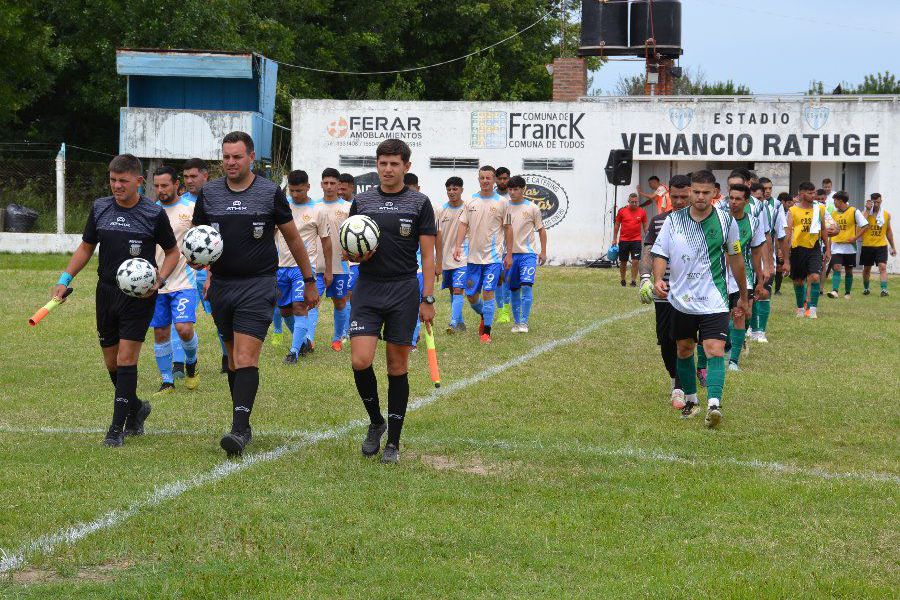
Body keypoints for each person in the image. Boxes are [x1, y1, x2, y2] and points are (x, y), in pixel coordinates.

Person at [191, 131, 319, 457]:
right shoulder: (209, 194)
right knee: (233, 360)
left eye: (237, 157)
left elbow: (292, 239)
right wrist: (201, 267)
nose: (230, 163)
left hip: (259, 284)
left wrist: (309, 279)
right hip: (221, 286)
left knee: (246, 357)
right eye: (226, 157)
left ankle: (237, 430)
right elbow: (198, 241)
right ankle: (243, 422)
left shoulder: (268, 192)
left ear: (250, 158)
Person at [52, 154, 179, 446]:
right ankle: (136, 408)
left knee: (126, 358)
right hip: (106, 292)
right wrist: (64, 280)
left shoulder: (153, 213)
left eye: (123, 180)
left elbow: (172, 253)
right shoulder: (100, 208)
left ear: (138, 181)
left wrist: (159, 280)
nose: (117, 186)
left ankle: (115, 429)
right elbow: (85, 248)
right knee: (111, 362)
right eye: (112, 180)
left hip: (139, 297)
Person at [348, 138, 436, 465]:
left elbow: (428, 257)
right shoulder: (362, 201)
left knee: (397, 367)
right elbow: (350, 248)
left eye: (394, 164)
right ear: (377, 165)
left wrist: (427, 298)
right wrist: (353, 253)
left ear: (406, 167)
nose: (387, 169)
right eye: (382, 163)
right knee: (360, 360)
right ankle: (376, 421)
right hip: (368, 288)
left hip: (403, 290)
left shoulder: (420, 203)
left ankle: (394, 443)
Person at [651, 170, 748, 429]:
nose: (700, 197)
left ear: (715, 193)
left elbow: (736, 260)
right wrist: (658, 279)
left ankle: (714, 403)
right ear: (690, 191)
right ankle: (692, 401)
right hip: (681, 299)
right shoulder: (674, 221)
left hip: (714, 298)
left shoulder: (727, 222)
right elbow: (660, 253)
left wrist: (743, 295)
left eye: (706, 192)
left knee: (714, 349)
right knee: (684, 349)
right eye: (696, 192)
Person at [639, 174, 692, 409]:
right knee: (665, 340)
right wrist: (645, 278)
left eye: (684, 196)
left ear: (692, 193)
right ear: (668, 194)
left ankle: (681, 386)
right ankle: (675, 378)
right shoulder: (659, 221)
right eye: (675, 196)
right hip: (664, 291)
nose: (679, 201)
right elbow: (648, 251)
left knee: (684, 339)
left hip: (691, 291)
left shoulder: (703, 222)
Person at [148, 166, 201, 395]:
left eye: (165, 185)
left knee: (183, 329)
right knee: (160, 332)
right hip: (154, 284)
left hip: (185, 281)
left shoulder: (190, 209)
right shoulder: (149, 212)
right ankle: (167, 380)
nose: (160, 190)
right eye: (157, 186)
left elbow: (204, 240)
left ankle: (191, 362)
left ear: (176, 184)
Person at [277, 170, 333, 364]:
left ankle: (294, 352)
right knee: (285, 310)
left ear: (308, 187)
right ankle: (303, 341)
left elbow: (326, 242)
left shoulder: (318, 210)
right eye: (291, 191)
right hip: (281, 267)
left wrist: (327, 270)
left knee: (300, 306)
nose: (295, 194)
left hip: (303, 268)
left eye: (299, 190)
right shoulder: (282, 208)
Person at [453, 165, 511, 343]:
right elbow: (463, 224)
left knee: (488, 292)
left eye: (488, 178)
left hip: (493, 258)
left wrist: (509, 254)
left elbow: (508, 228)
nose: (485, 181)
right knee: (471, 296)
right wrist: (457, 246)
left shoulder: (502, 202)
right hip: (473, 258)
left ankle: (486, 331)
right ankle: (484, 315)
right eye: (482, 178)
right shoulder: (470, 201)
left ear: (494, 180)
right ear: (478, 180)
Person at [723, 184, 766, 371]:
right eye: (731, 198)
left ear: (746, 201)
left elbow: (756, 253)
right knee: (723, 316)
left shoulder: (754, 222)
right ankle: (726, 346)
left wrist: (760, 280)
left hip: (743, 274)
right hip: (719, 273)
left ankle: (733, 361)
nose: (733, 202)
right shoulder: (720, 219)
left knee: (740, 313)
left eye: (738, 198)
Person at [314, 168, 352, 352]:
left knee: (340, 302)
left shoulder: (347, 208)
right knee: (311, 301)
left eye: (332, 183)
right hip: (316, 265)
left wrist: (349, 251)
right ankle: (308, 339)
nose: (329, 187)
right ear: (321, 184)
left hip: (340, 266)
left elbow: (352, 234)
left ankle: (338, 338)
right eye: (325, 183)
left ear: (339, 186)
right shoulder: (314, 207)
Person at [503, 175, 546, 333]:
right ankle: (517, 322)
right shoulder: (504, 207)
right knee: (514, 289)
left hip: (528, 255)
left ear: (523, 189)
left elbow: (541, 230)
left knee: (526, 286)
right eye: (510, 189)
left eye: (516, 189)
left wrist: (543, 251)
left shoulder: (532, 208)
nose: (512, 192)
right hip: (509, 255)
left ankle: (524, 322)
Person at [785, 182, 829, 319]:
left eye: (814, 192)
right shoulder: (793, 210)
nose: (813, 195)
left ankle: (812, 309)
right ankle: (800, 308)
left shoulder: (819, 209)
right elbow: (787, 232)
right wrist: (784, 252)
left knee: (815, 276)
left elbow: (823, 229)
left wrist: (827, 248)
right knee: (798, 281)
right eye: (810, 193)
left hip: (814, 247)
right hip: (797, 248)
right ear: (802, 194)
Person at [435, 176, 468, 333]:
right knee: (452, 290)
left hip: (463, 257)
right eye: (449, 189)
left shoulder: (468, 209)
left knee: (457, 289)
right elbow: (438, 239)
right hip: (447, 259)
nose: (451, 192)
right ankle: (460, 322)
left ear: (461, 190)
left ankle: (453, 323)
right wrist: (438, 262)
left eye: (455, 189)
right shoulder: (441, 211)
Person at [826, 191, 868, 299]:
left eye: (835, 200)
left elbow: (865, 226)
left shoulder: (854, 211)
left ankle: (847, 293)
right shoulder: (833, 214)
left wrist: (855, 238)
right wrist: (828, 247)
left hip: (850, 247)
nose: (834, 203)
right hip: (836, 246)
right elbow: (830, 231)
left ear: (840, 201)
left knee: (849, 270)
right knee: (837, 267)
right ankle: (835, 291)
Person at [861, 193, 896, 296]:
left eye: (878, 202)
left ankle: (884, 289)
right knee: (867, 269)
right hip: (867, 245)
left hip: (881, 245)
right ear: (871, 201)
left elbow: (888, 231)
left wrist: (893, 246)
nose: (876, 204)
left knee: (882, 266)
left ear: (881, 201)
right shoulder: (866, 213)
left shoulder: (886, 215)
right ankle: (866, 288)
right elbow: (861, 224)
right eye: (874, 202)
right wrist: (867, 210)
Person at [338, 172, 359, 340]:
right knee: (345, 295)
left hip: (356, 260)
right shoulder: (332, 205)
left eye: (343, 189)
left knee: (351, 295)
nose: (340, 192)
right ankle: (345, 332)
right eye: (339, 189)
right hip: (339, 261)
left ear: (352, 187)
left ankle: (351, 330)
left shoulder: (358, 206)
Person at [614, 193, 648, 287]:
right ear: (628, 201)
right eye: (632, 202)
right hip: (624, 240)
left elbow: (645, 226)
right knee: (623, 261)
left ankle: (633, 281)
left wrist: (648, 237)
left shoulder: (642, 211)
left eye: (636, 202)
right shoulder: (622, 211)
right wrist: (614, 239)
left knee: (635, 261)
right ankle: (623, 279)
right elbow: (617, 225)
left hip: (636, 240)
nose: (634, 203)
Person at [493, 166, 513, 323]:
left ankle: (506, 308)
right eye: (499, 178)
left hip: (511, 242)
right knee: (498, 278)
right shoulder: (490, 196)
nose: (502, 181)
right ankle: (501, 310)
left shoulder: (513, 196)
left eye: (505, 178)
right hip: (495, 243)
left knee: (507, 278)